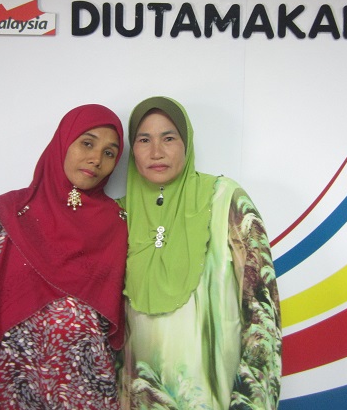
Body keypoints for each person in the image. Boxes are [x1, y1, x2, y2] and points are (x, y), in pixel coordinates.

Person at [0, 104, 128, 409]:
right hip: (13, 382)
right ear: (63, 142)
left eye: (109, 153)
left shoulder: (119, 223)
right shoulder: (5, 213)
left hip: (85, 390)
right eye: (87, 143)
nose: (96, 159)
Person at [119, 96, 282, 409]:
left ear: (186, 142)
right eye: (144, 140)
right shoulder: (119, 215)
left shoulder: (225, 199)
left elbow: (261, 308)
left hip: (215, 393)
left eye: (169, 138)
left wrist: (250, 402)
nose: (156, 152)